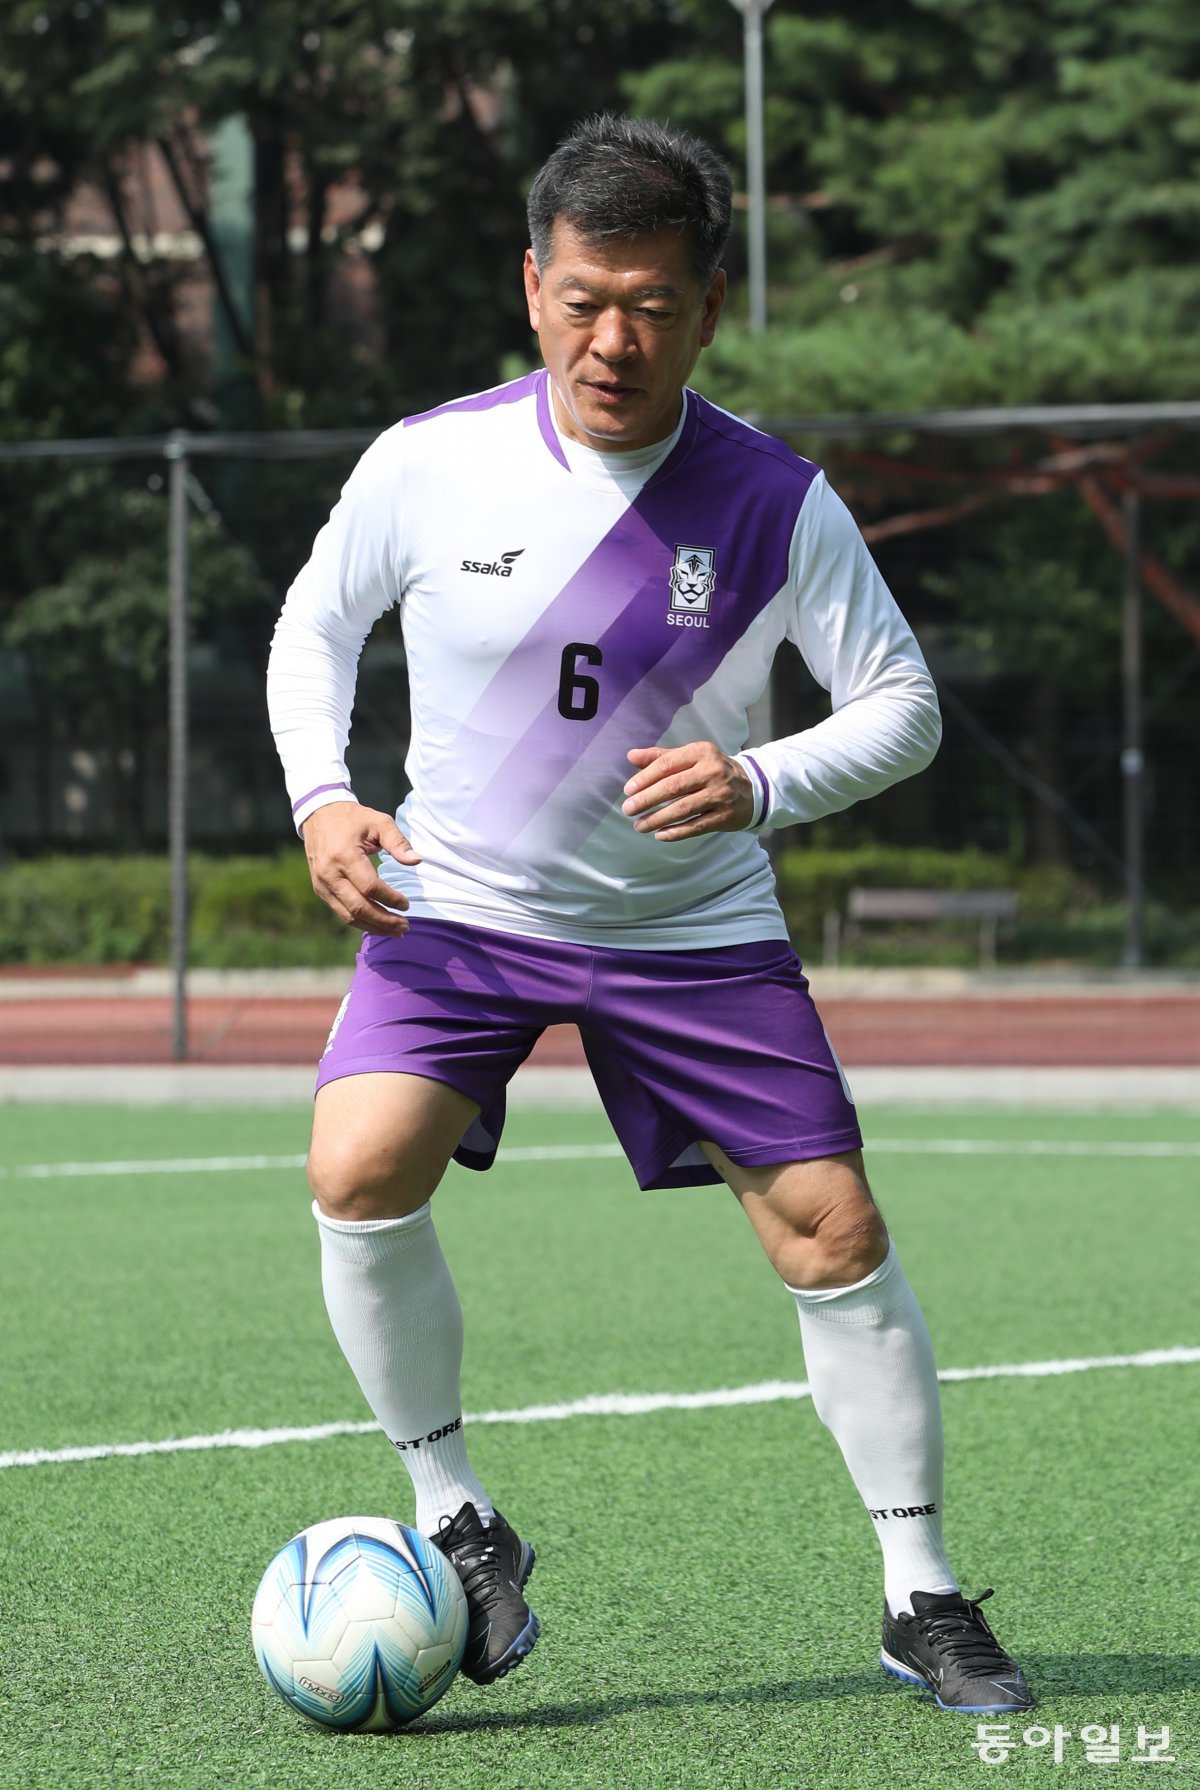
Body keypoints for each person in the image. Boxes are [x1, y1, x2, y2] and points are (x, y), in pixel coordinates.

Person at [267, 113, 1033, 1713]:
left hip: (689, 928)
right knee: (355, 1165)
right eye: (587, 298)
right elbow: (312, 630)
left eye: (656, 305)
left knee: (836, 1231)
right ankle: (455, 1513)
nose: (616, 339)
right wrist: (322, 798)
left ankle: (922, 1590)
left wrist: (757, 783)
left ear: (712, 302)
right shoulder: (428, 459)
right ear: (532, 284)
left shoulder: (773, 498)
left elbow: (903, 707)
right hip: (462, 910)